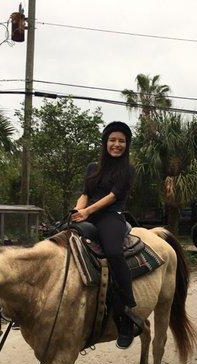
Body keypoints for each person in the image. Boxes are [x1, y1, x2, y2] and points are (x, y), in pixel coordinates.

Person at [72, 121, 140, 349]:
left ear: (126, 144)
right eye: (112, 140)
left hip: (111, 216)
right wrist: (76, 211)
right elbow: (85, 193)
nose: (116, 144)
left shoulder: (128, 170)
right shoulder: (93, 167)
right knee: (59, 241)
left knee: (112, 252)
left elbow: (112, 196)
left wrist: (87, 212)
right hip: (87, 214)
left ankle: (127, 311)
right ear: (105, 142)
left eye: (121, 141)